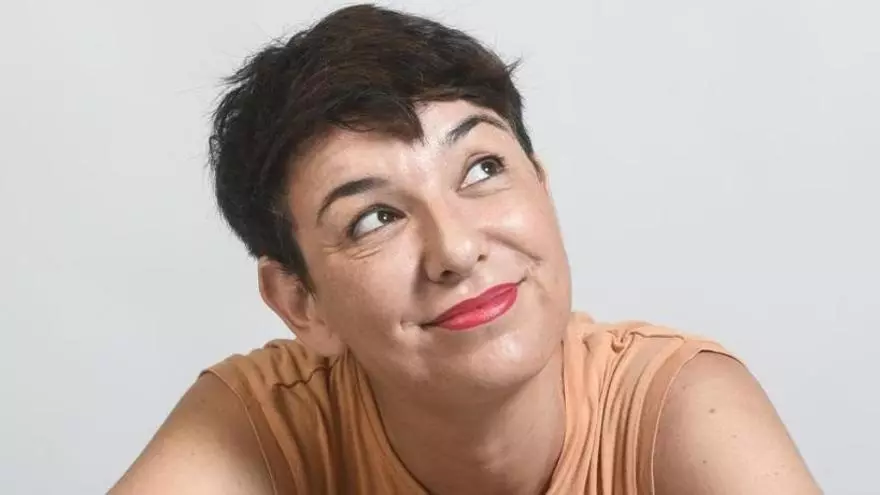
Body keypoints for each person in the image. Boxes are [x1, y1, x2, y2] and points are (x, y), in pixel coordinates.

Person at [110, 4, 821, 494]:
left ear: (541, 188)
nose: (454, 248)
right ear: (302, 304)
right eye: (375, 218)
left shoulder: (674, 405)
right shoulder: (266, 421)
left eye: (482, 169)